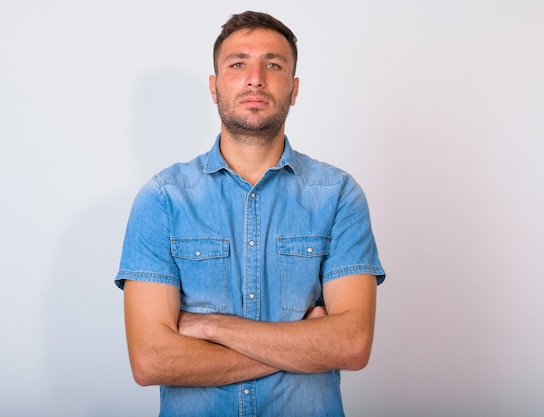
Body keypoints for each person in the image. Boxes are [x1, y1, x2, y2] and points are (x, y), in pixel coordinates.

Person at [115, 10, 385, 417]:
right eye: (238, 63)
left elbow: (351, 345)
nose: (255, 77)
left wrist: (211, 327)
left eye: (273, 65)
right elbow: (152, 360)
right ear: (214, 86)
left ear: (294, 89)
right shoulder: (162, 199)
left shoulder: (339, 194)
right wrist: (305, 343)